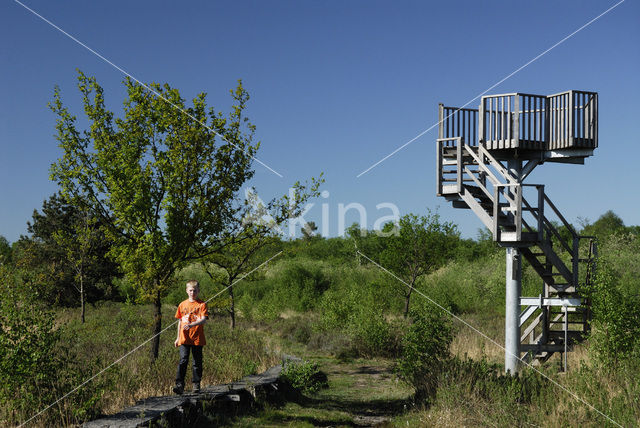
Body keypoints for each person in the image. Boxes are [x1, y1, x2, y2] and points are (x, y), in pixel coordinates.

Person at [173, 280, 209, 394]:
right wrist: (178, 338)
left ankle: (196, 384)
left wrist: (192, 324)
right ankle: (179, 385)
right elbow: (179, 321)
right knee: (183, 360)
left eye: (195, 290)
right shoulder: (182, 304)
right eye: (190, 290)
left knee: (197, 362)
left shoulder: (202, 304)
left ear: (198, 291)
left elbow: (203, 320)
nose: (192, 292)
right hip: (184, 338)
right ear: (186, 291)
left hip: (197, 338)